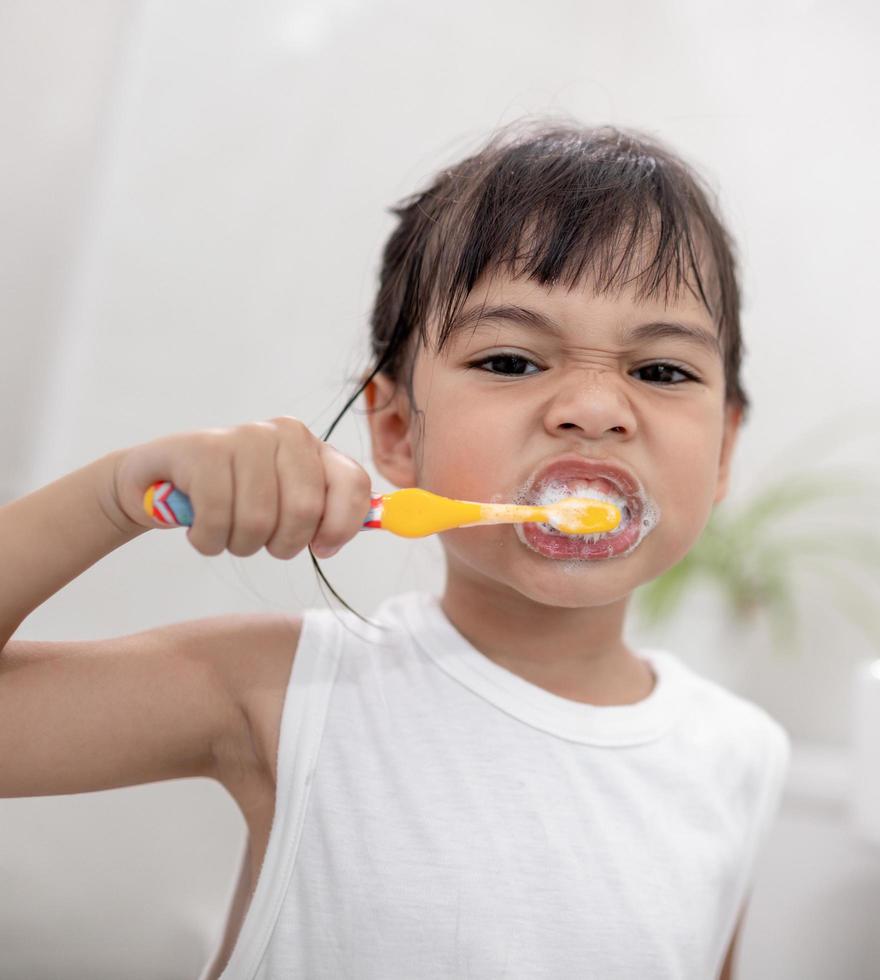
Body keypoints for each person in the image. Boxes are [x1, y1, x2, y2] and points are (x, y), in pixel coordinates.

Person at [0, 119, 790, 979]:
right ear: (395, 430)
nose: (595, 407)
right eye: (513, 360)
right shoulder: (284, 691)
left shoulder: (740, 755)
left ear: (722, 451)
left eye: (663, 371)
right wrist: (118, 496)